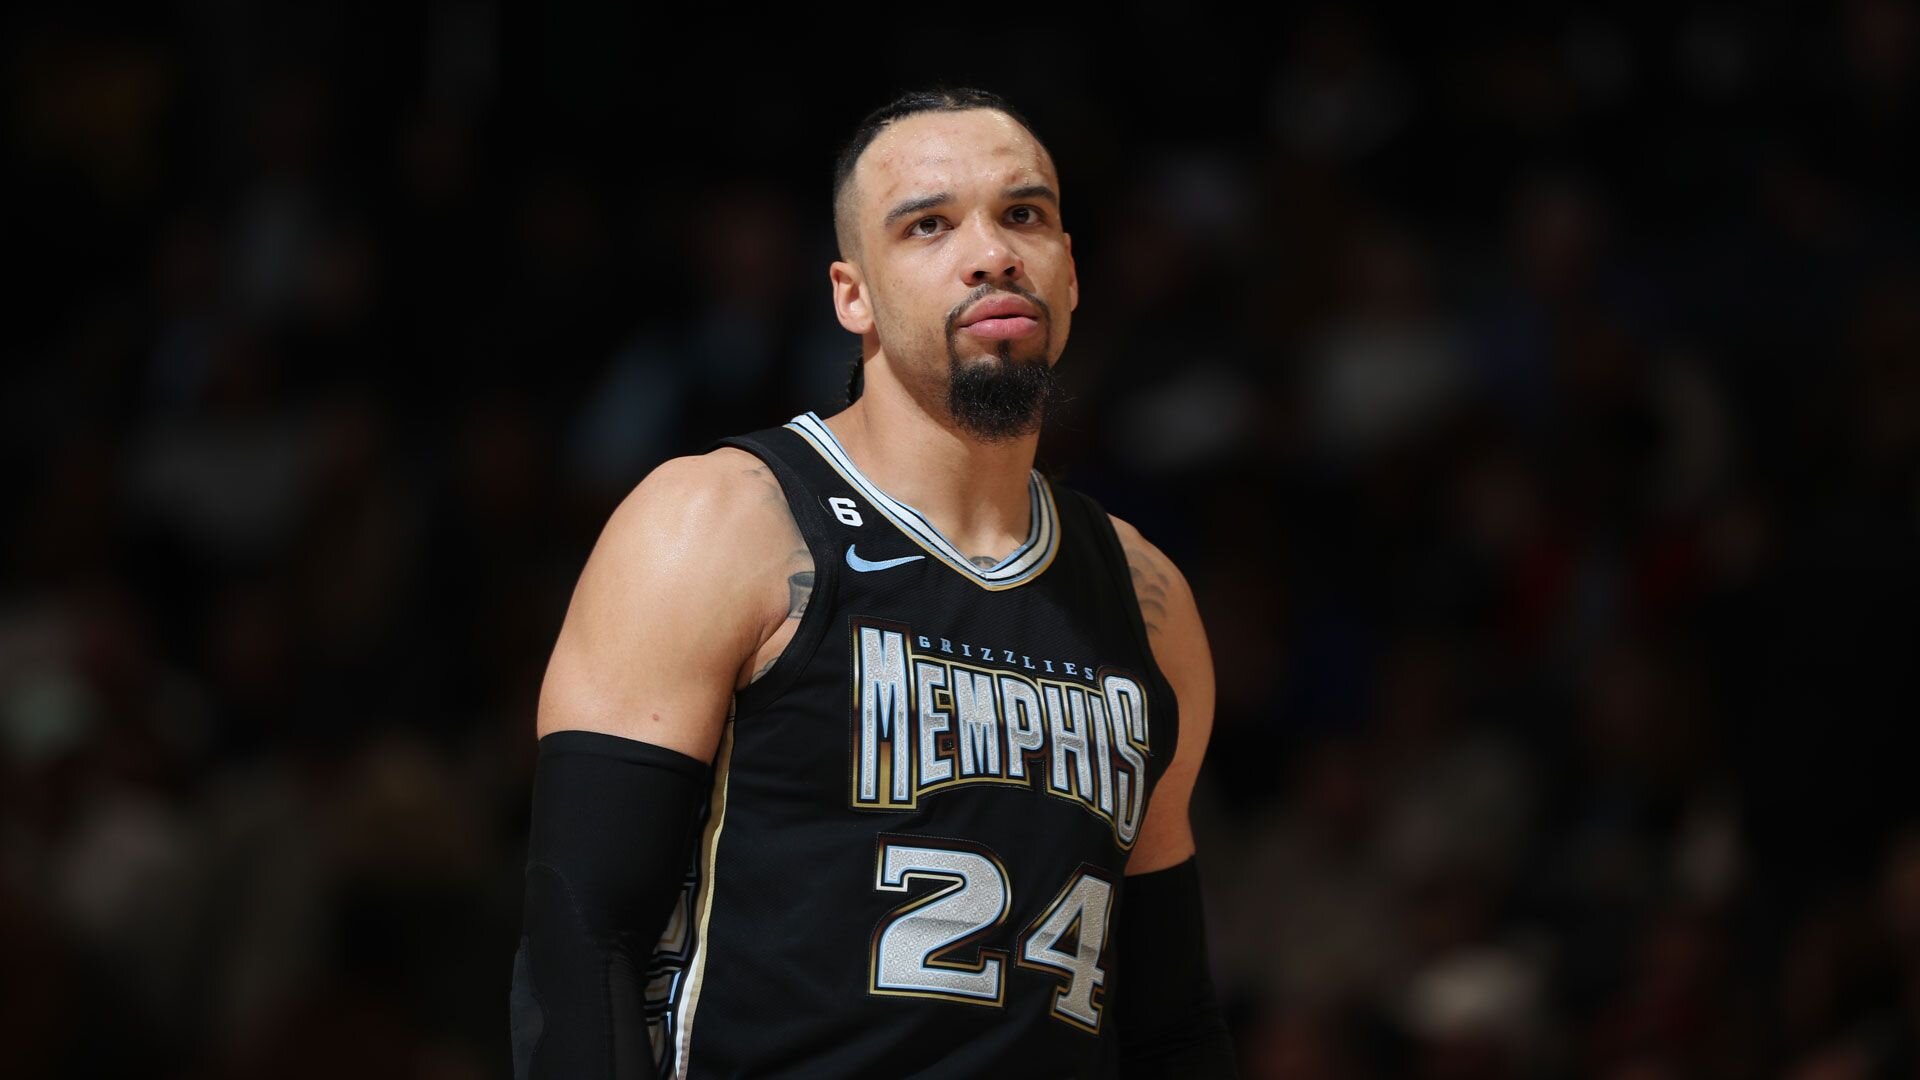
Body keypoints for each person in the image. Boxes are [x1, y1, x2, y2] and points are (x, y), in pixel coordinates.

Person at [511, 87, 1237, 1079]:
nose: (990, 253)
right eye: (929, 225)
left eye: (1023, 215)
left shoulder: (1148, 599)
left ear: (1071, 273)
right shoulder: (721, 521)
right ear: (852, 295)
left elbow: (1170, 1023)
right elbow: (580, 943)